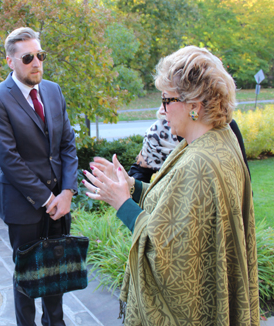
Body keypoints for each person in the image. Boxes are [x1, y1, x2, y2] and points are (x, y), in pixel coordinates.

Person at [83, 46, 259, 325]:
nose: (161, 110)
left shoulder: (199, 163)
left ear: (194, 105)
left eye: (167, 100)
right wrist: (131, 186)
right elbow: (174, 204)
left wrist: (121, 204)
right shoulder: (216, 138)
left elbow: (165, 253)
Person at [0, 27, 78, 326]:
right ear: (10, 61)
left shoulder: (53, 90)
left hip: (59, 205)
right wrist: (47, 198)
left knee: (56, 272)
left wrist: (67, 193)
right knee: (26, 277)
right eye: (27, 57)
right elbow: (9, 159)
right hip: (24, 206)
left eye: (40, 55)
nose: (36, 62)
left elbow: (67, 144)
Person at [128, 116, 250, 182]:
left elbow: (244, 179)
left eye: (169, 99)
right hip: (172, 218)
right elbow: (139, 171)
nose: (164, 108)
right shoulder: (159, 131)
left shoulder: (224, 125)